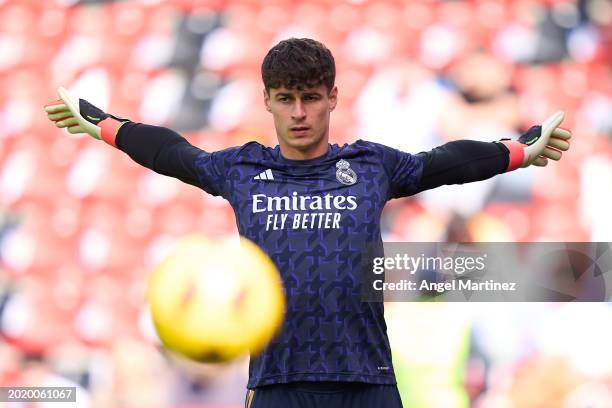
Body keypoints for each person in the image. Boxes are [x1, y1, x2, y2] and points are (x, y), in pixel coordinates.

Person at [44, 38, 571, 408]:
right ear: (268, 101)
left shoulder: (370, 165)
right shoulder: (242, 169)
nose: (299, 112)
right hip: (279, 385)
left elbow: (445, 163)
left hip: (369, 384)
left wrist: (516, 152)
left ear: (332, 98)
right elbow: (173, 153)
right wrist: (104, 124)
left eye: (312, 98)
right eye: (287, 99)